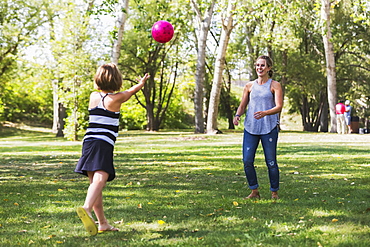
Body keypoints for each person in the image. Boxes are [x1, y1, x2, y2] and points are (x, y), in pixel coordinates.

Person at [74, 63, 150, 235]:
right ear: (117, 80)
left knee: (95, 185)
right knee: (101, 179)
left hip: (88, 142)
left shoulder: (93, 96)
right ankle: (86, 208)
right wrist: (141, 83)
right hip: (103, 143)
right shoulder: (115, 99)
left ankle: (102, 223)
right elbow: (131, 92)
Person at [233, 55, 283, 200]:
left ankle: (274, 192)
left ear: (269, 68)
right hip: (251, 128)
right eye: (257, 65)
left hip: (269, 128)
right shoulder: (249, 86)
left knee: (271, 162)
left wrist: (265, 113)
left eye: (262, 65)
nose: (259, 68)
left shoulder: (275, 85)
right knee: (247, 161)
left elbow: (279, 106)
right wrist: (237, 115)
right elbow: (243, 105)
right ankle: (254, 191)